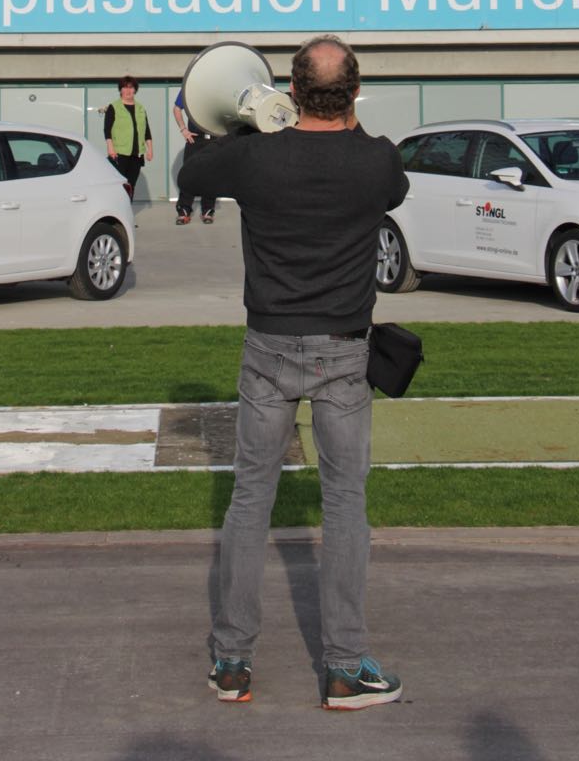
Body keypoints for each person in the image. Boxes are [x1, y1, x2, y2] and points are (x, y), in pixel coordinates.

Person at [177, 36, 408, 710]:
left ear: (294, 90)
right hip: (342, 355)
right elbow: (386, 177)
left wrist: (224, 122)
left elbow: (192, 174)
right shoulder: (376, 160)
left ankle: (231, 661)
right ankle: (342, 667)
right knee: (344, 505)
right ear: (353, 92)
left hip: (268, 348)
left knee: (250, 500)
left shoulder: (255, 157)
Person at [172, 89, 216, 225]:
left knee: (211, 176)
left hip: (214, 139)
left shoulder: (219, 86)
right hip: (194, 140)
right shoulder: (189, 86)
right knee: (189, 175)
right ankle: (184, 211)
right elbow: (177, 108)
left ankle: (208, 211)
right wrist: (183, 129)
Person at [104, 76, 153, 195]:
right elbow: (107, 129)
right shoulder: (113, 107)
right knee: (119, 185)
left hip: (137, 154)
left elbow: (147, 131)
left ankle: (127, 210)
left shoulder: (141, 108)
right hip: (119, 153)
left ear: (135, 90)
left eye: (131, 88)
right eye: (124, 87)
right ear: (120, 90)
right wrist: (110, 148)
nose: (128, 91)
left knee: (131, 185)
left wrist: (150, 150)